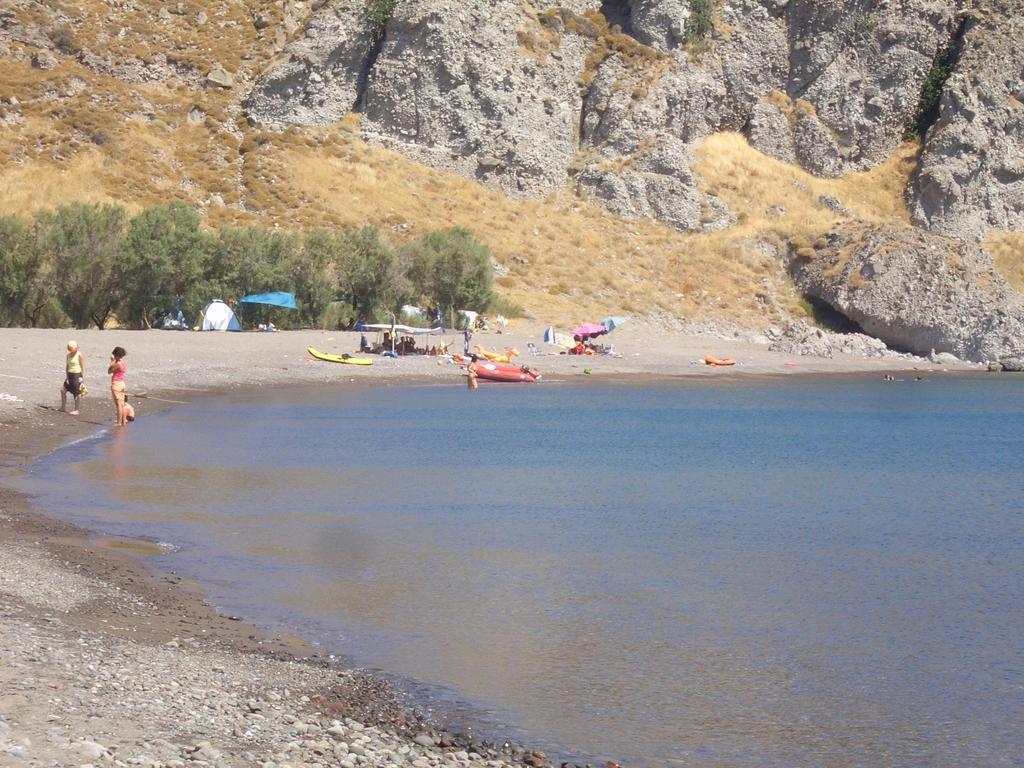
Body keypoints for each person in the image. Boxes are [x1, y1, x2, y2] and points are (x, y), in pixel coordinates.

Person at [60, 340, 85, 415]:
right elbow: (67, 366)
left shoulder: (79, 354)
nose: (71, 350)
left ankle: (76, 410)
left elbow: (82, 366)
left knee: (76, 393)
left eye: (72, 349)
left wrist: (81, 376)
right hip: (70, 374)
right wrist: (67, 377)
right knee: (63, 390)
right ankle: (63, 408)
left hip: (76, 374)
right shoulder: (68, 355)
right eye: (70, 349)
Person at [108, 346, 128, 427]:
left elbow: (109, 371)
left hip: (116, 383)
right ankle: (123, 421)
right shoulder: (122, 362)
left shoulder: (118, 364)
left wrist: (112, 361)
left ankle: (119, 422)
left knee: (119, 404)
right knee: (122, 404)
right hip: (122, 383)